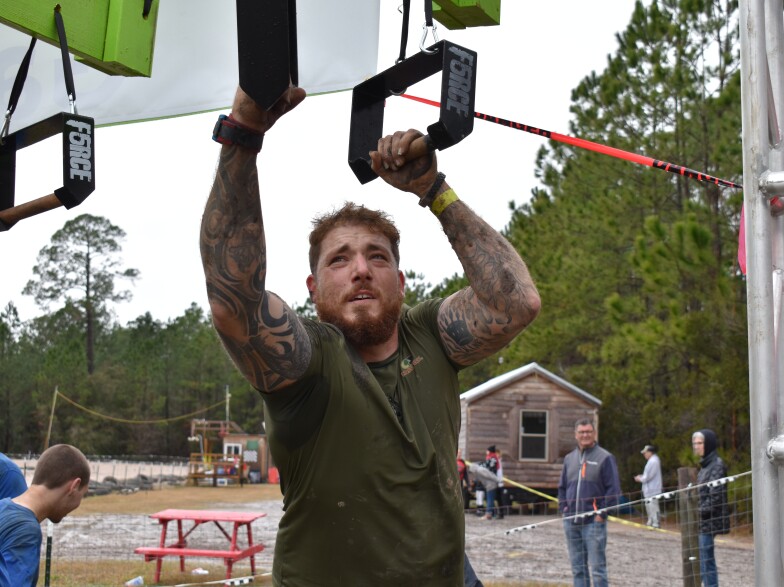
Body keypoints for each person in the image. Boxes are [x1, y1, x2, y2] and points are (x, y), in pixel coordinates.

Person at [200, 85, 541, 586]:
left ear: (400, 283)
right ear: (314, 291)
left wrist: (434, 189)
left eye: (377, 257)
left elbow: (517, 302)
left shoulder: (431, 334)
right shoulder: (310, 359)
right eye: (340, 259)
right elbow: (235, 304)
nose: (361, 269)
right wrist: (242, 135)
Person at [0, 444, 90, 587]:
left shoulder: (3, 505)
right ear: (74, 486)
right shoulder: (26, 532)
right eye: (83, 494)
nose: (79, 503)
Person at [558, 419, 621, 587]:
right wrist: (564, 509)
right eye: (581, 432)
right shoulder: (569, 459)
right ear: (575, 435)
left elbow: (613, 489)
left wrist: (602, 514)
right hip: (571, 521)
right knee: (578, 568)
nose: (585, 435)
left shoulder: (605, 458)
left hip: (593, 523)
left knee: (598, 570)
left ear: (594, 434)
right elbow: (562, 487)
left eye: (588, 432)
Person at [692, 429, 729, 587]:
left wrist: (697, 512)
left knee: (707, 561)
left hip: (710, 520)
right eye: (694, 443)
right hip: (702, 520)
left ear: (709, 444)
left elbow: (716, 497)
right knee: (701, 561)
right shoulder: (705, 466)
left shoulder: (716, 465)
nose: (696, 446)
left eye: (699, 443)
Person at [634, 444, 662, 528]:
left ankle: (656, 522)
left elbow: (649, 476)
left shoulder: (653, 461)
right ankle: (651, 521)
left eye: (645, 453)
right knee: (649, 505)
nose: (644, 454)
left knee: (653, 505)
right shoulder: (652, 461)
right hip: (649, 488)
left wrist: (640, 478)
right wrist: (642, 477)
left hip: (653, 488)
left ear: (650, 452)